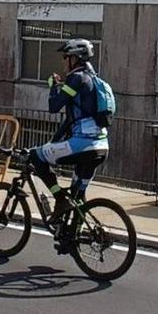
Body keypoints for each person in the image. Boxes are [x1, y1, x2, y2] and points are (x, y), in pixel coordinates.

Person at [30, 38, 109, 247]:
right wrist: (52, 143)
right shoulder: (93, 81)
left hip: (82, 145)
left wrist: (54, 87)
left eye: (66, 57)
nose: (64, 62)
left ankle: (59, 198)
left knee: (36, 157)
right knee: (78, 194)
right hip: (101, 146)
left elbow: (54, 107)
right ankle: (71, 237)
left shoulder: (76, 79)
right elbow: (70, 119)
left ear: (75, 57)